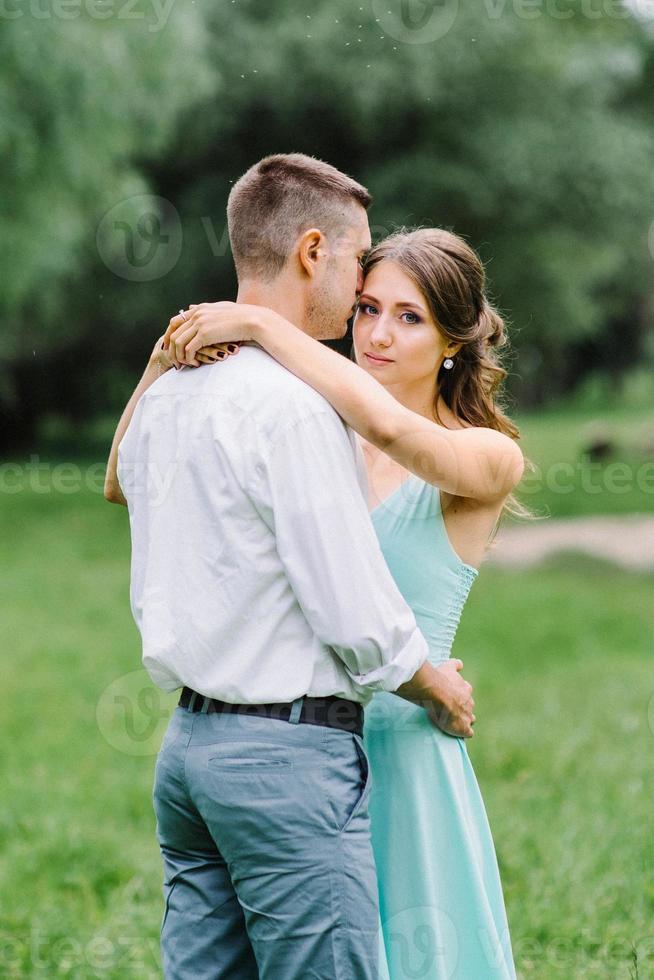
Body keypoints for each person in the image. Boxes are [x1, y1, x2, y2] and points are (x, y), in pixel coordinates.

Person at [104, 154, 475, 980]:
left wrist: (165, 355)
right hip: (285, 763)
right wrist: (432, 682)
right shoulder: (296, 408)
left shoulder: (168, 395)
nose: (358, 290)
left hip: (187, 755)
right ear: (313, 251)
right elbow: (351, 607)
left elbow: (118, 481)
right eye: (356, 259)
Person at [163, 226, 525, 979]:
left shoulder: (485, 455)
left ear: (454, 340)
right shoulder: (308, 434)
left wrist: (261, 321)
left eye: (409, 317)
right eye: (365, 309)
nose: (378, 335)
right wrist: (176, 350)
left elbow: (392, 427)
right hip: (299, 748)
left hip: (405, 747)